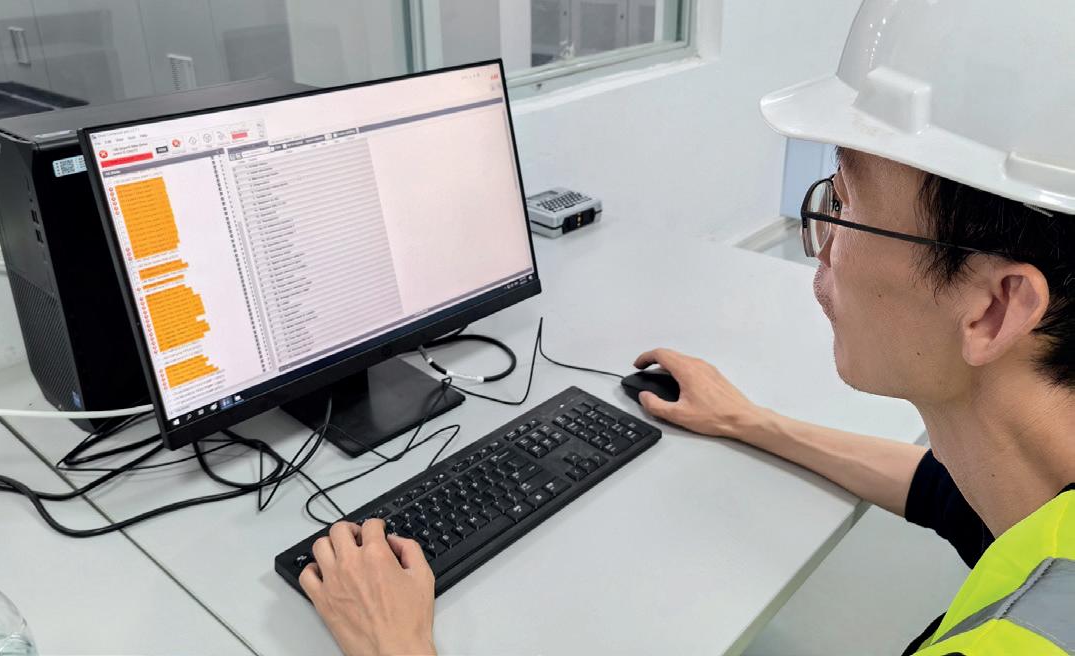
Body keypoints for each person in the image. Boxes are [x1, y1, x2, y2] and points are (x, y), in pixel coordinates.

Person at [298, 0, 1075, 653]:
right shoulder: (1037, 496)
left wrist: (396, 646)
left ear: (993, 308)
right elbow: (945, 497)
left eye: (844, 202)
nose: (822, 244)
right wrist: (750, 421)